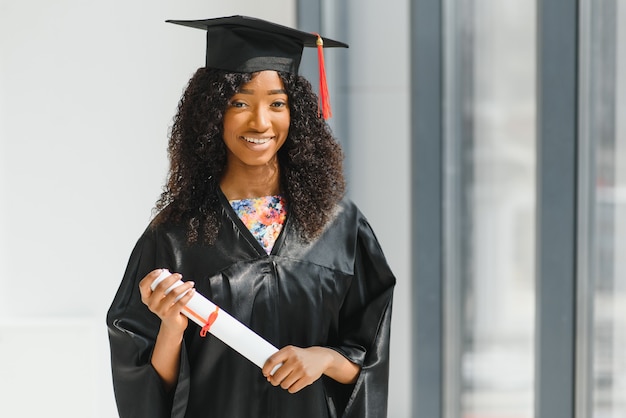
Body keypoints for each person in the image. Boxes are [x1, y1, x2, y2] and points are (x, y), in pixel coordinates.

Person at [107, 15, 396, 418]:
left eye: (277, 104)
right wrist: (172, 326)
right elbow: (146, 391)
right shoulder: (174, 236)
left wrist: (326, 359)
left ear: (296, 114)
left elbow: (369, 354)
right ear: (212, 114)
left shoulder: (341, 226)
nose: (261, 122)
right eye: (240, 103)